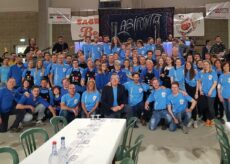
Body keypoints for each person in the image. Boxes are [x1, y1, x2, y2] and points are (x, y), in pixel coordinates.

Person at [198, 60, 218, 127]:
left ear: (209, 65)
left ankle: (212, 119)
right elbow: (199, 82)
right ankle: (208, 120)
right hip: (203, 93)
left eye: (207, 64)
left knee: (210, 107)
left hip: (211, 93)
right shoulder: (201, 72)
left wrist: (210, 91)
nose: (205, 65)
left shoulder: (213, 72)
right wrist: (200, 90)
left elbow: (215, 83)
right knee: (205, 107)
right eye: (204, 64)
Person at [184, 62, 199, 128]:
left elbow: (198, 83)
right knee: (189, 105)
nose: (187, 66)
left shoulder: (195, 72)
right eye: (186, 65)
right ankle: (191, 119)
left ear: (191, 65)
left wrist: (196, 92)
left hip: (193, 91)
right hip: (187, 91)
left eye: (189, 64)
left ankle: (195, 120)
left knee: (194, 105)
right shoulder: (184, 73)